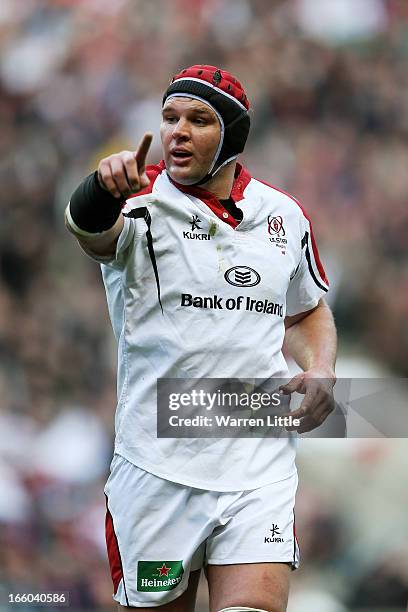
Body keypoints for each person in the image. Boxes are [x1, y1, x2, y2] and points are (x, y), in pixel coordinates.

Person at [65, 65, 337, 612]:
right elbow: (89, 228)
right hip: (157, 465)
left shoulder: (283, 215)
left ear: (233, 135)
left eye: (198, 119)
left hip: (257, 461)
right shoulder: (138, 201)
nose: (177, 131)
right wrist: (102, 185)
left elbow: (307, 311)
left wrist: (323, 368)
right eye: (169, 118)